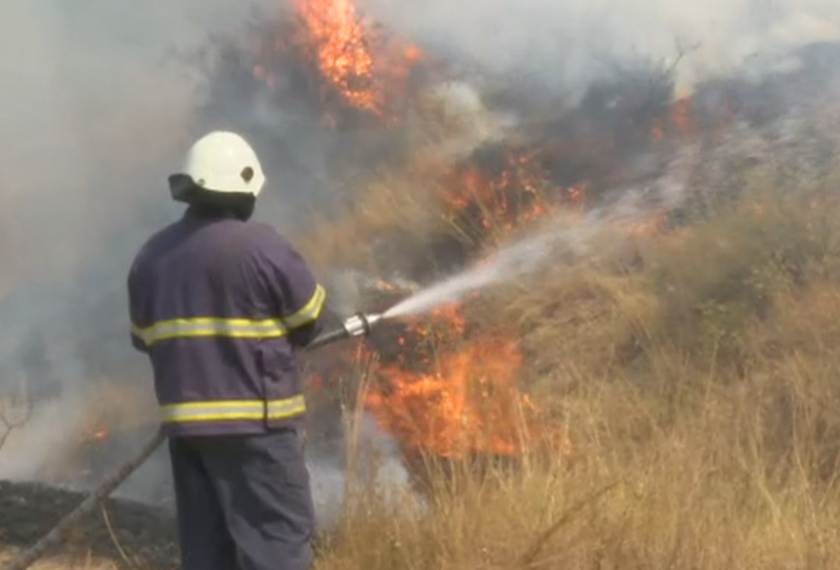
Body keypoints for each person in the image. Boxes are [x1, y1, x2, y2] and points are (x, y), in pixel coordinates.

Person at [127, 130, 326, 570]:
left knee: (208, 553)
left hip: (189, 436)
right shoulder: (263, 245)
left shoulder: (151, 257)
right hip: (257, 427)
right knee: (276, 549)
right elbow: (310, 318)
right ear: (244, 191)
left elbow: (143, 338)